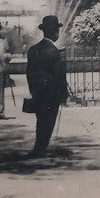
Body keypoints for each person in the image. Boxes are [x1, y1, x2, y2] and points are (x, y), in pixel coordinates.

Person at [26, 15, 69, 158]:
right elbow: (59, 75)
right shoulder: (54, 51)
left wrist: (33, 90)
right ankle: (41, 148)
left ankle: (39, 147)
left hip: (38, 92)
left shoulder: (33, 50)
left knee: (40, 120)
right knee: (49, 121)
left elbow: (29, 73)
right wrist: (64, 93)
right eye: (57, 30)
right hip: (51, 93)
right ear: (55, 32)